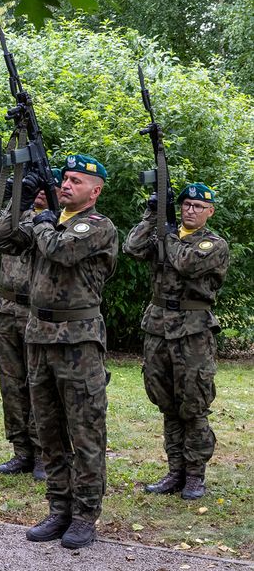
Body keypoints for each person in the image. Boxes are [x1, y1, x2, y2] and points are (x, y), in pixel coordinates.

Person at [0, 154, 118, 549]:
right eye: (64, 179)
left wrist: (42, 222)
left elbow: (61, 251)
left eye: (76, 181)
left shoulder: (98, 226)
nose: (66, 185)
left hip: (77, 339)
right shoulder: (49, 220)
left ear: (94, 191)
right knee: (49, 430)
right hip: (39, 335)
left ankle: (84, 516)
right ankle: (58, 509)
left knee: (84, 430)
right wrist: (22, 203)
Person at [123, 182, 229, 500]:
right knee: (167, 404)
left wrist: (166, 231)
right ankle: (175, 472)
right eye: (185, 204)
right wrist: (151, 214)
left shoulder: (213, 244)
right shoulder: (165, 233)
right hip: (158, 328)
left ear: (209, 211)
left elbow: (186, 263)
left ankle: (195, 475)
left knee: (193, 405)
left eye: (198, 206)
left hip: (193, 331)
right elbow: (131, 246)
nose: (190, 210)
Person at [0, 172, 58, 480]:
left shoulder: (58, 222)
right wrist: (8, 193)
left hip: (37, 310)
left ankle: (44, 452)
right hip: (6, 308)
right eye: (36, 188)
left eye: (47, 187)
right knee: (11, 383)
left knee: (39, 383)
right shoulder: (17, 214)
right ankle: (21, 451)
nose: (41, 193)